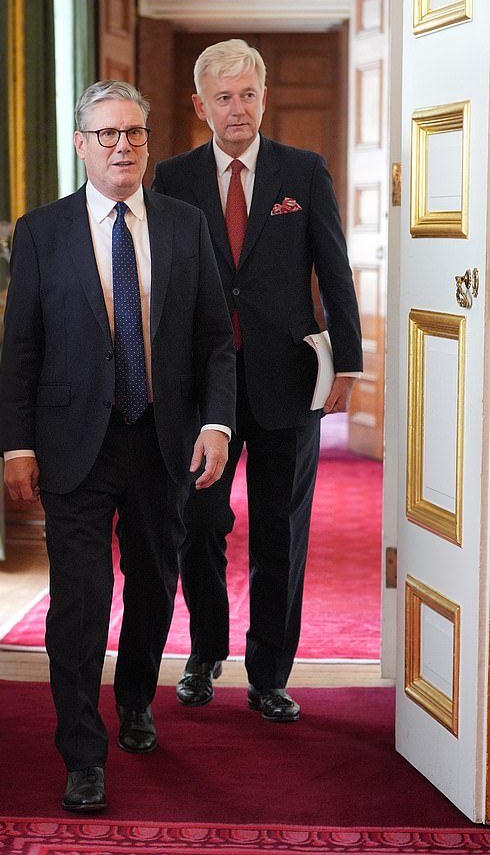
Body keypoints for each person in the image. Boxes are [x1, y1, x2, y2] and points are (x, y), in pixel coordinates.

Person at [0, 80, 236, 813]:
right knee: (79, 601)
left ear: (148, 142)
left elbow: (216, 341)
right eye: (107, 134)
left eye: (133, 133)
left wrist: (217, 424)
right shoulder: (41, 232)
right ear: (81, 144)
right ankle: (82, 752)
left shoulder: (186, 224)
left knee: (156, 584)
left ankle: (135, 698)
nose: (122, 146)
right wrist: (15, 446)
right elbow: (22, 349)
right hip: (74, 445)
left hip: (163, 440)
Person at [152, 39, 363, 721]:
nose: (236, 109)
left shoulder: (304, 173)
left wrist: (350, 361)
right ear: (200, 105)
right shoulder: (173, 178)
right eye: (223, 97)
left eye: (247, 94)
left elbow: (334, 271)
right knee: (198, 521)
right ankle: (206, 649)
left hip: (287, 383)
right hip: (201, 386)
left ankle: (270, 672)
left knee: (281, 529)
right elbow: (160, 282)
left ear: (263, 98)